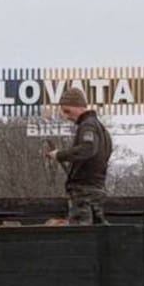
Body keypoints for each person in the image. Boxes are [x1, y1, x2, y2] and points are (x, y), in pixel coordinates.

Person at [46, 87, 112, 225]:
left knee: (81, 236)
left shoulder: (88, 126)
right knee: (97, 233)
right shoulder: (101, 129)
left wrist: (59, 155)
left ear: (79, 106)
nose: (66, 116)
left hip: (84, 192)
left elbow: (87, 149)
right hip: (97, 190)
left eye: (67, 111)